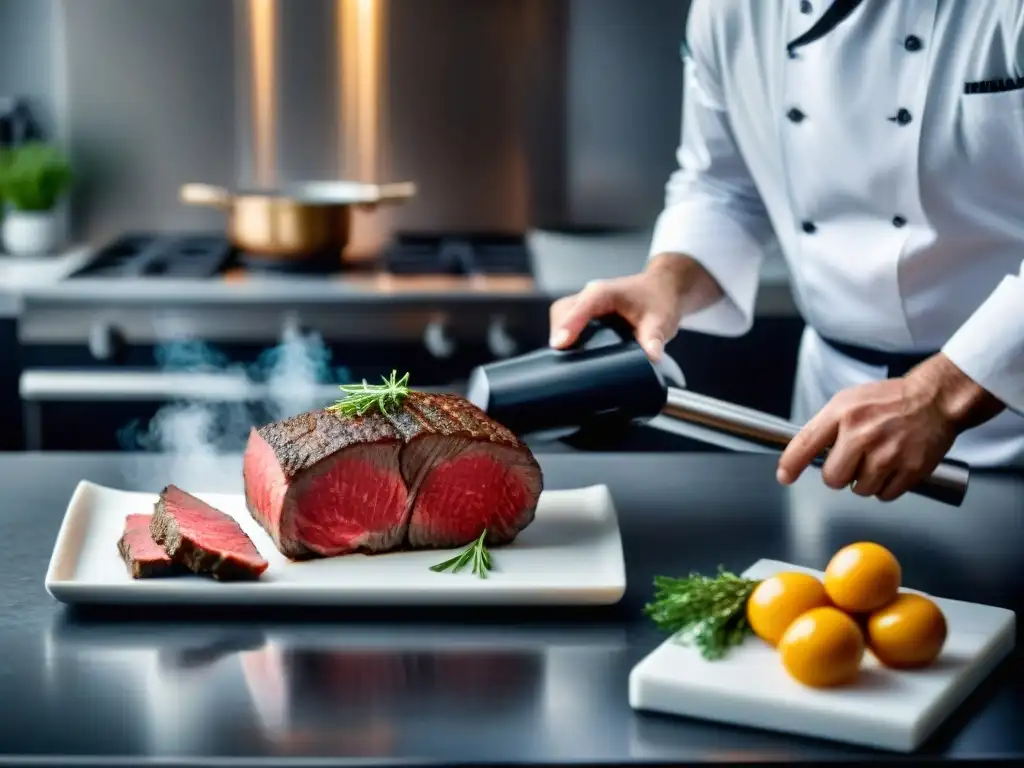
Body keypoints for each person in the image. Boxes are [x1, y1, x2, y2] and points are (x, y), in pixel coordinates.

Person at [549, 0, 1023, 502]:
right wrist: (666, 280)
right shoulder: (728, 10)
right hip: (832, 426)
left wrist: (940, 395)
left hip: (1007, 417)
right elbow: (724, 188)